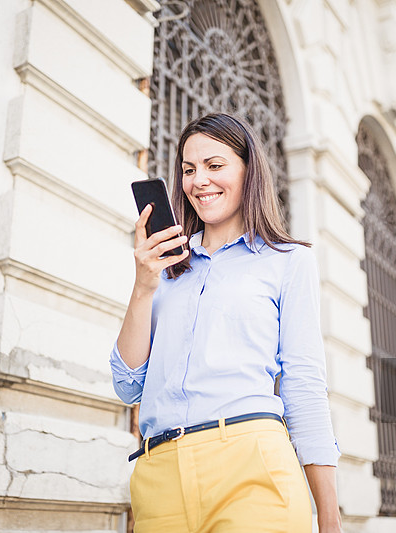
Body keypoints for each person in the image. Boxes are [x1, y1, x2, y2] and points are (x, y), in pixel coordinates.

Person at [110, 112, 342, 532]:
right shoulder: (164, 269)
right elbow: (127, 385)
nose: (199, 181)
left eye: (214, 165)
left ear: (248, 171)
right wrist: (143, 286)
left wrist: (329, 514)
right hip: (159, 474)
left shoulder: (288, 262)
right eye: (188, 170)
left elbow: (304, 384)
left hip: (251, 465)